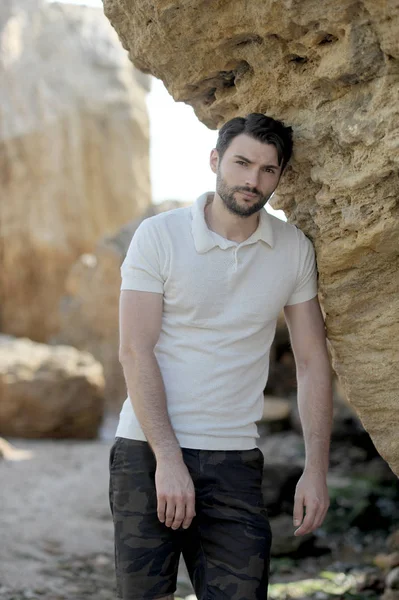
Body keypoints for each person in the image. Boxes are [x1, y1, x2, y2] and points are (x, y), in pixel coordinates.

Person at [109, 113, 333, 600]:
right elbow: (134, 348)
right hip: (145, 452)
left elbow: (313, 362)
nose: (252, 180)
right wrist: (167, 459)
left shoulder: (293, 249)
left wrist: (315, 470)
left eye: (268, 170)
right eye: (242, 163)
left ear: (280, 177)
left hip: (234, 460)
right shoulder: (158, 236)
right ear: (216, 161)